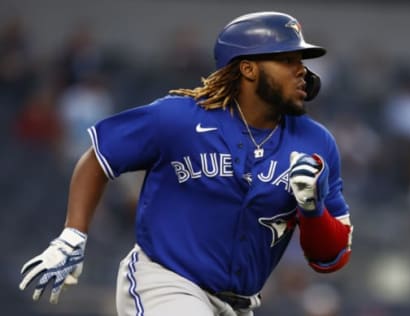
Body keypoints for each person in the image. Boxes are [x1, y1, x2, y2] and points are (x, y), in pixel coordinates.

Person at [19, 11, 353, 316]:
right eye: (287, 59)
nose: (302, 71)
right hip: (165, 282)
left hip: (240, 304)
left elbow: (332, 257)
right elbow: (100, 158)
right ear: (248, 68)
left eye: (302, 61)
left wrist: (312, 208)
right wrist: (72, 236)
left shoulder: (316, 143)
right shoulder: (179, 117)